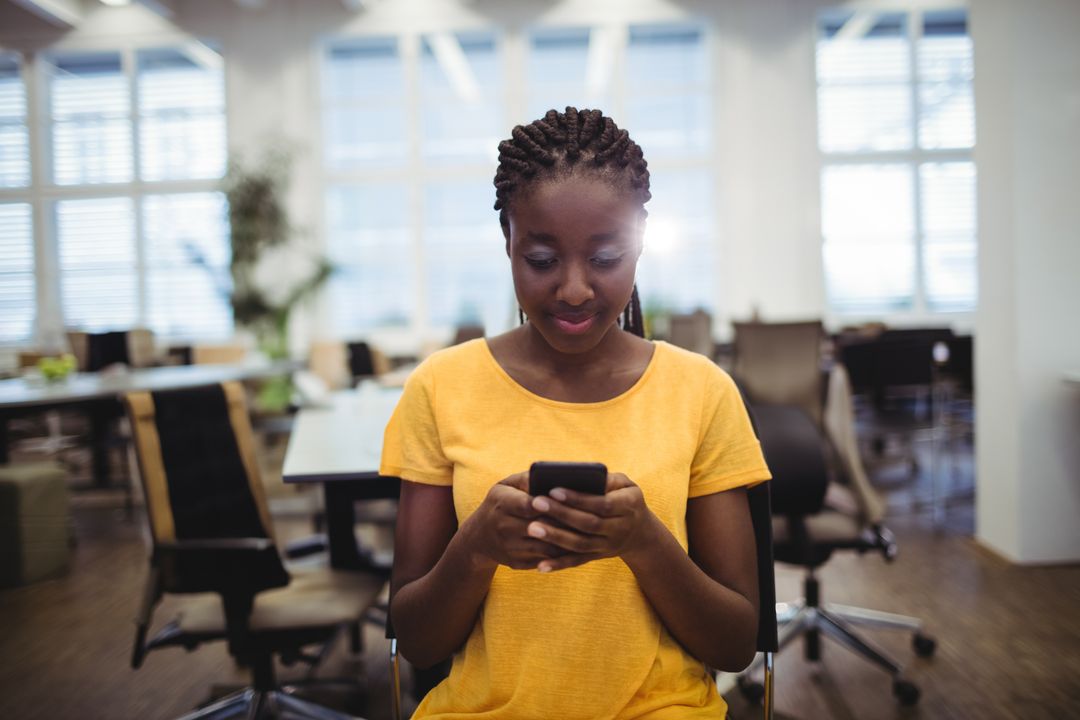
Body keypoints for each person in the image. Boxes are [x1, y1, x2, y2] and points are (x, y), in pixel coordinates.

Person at [381, 107, 771, 719]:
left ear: (639, 245)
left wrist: (643, 540)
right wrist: (476, 546)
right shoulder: (440, 386)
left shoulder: (701, 391)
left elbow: (735, 644)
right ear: (508, 241)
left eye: (606, 257)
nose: (574, 290)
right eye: (541, 260)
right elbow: (417, 642)